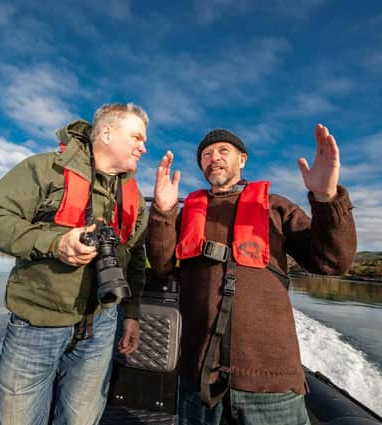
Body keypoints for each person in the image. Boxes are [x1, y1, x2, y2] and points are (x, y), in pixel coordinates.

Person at [147, 125, 356, 425]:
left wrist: (326, 198)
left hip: (270, 383)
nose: (213, 158)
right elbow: (162, 264)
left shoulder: (275, 206)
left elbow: (333, 262)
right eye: (206, 154)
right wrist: (163, 212)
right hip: (199, 376)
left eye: (222, 151)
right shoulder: (187, 212)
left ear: (242, 159)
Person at [0, 103, 149, 425]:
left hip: (102, 323)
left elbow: (135, 258)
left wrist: (132, 314)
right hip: (37, 325)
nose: (143, 146)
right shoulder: (43, 169)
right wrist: (55, 243)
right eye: (136, 137)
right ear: (107, 132)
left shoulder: (133, 195)